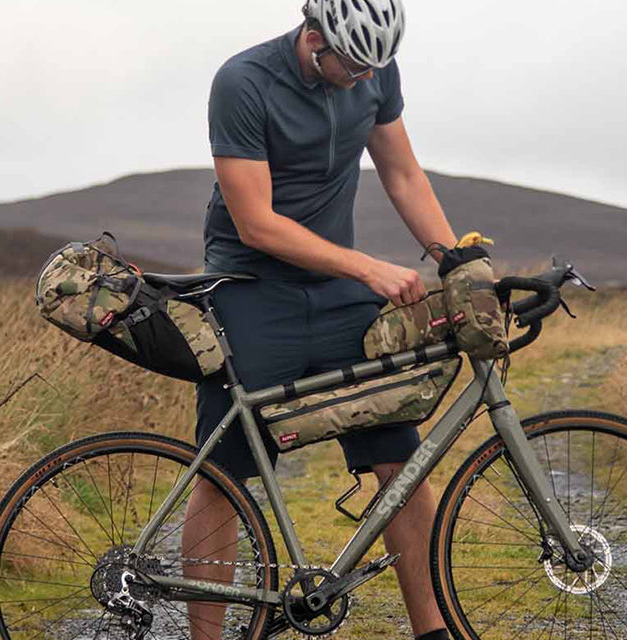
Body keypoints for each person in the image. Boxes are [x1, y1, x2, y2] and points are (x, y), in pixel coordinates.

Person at [181, 1, 457, 640]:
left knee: (402, 463)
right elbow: (257, 223)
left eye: (376, 67)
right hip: (250, 290)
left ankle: (432, 631)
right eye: (354, 65)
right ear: (313, 40)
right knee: (225, 474)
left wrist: (458, 256)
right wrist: (367, 269)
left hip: (336, 297)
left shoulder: (376, 74)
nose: (366, 78)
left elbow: (403, 173)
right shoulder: (243, 82)